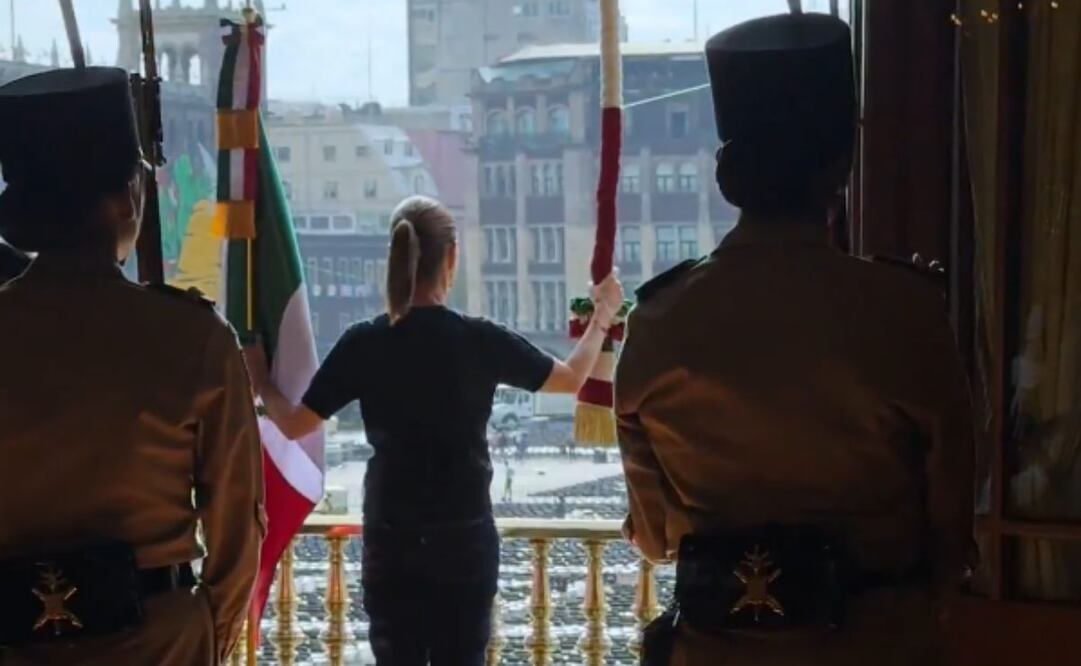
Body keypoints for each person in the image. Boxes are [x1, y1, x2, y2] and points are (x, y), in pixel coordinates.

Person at [615, 13, 974, 666]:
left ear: (729, 172)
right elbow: (950, 531)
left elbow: (655, 537)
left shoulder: (660, 319)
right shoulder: (904, 310)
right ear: (840, 166)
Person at [245, 195, 623, 666]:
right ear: (452, 258)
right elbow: (570, 378)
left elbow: (296, 422)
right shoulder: (478, 339)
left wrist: (260, 379)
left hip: (392, 538)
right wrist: (602, 318)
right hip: (463, 536)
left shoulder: (365, 341)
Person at [0, 67, 264, 665]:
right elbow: (238, 528)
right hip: (161, 644)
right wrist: (206, 635)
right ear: (127, 197)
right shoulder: (193, 338)